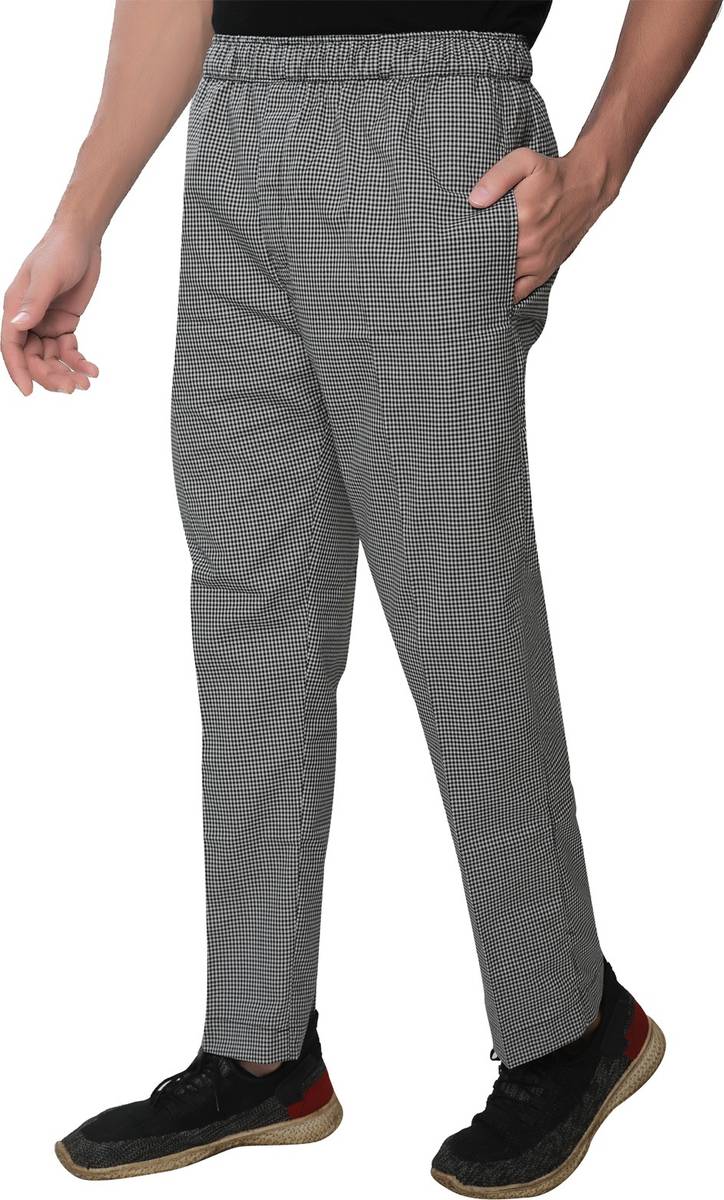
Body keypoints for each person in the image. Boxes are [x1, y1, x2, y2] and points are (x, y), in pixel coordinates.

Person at [1, 1, 719, 1193]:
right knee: (249, 616)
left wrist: (597, 168)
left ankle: (570, 1024)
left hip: (434, 128)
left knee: (455, 602)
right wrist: (81, 215)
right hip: (236, 129)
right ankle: (258, 1047)